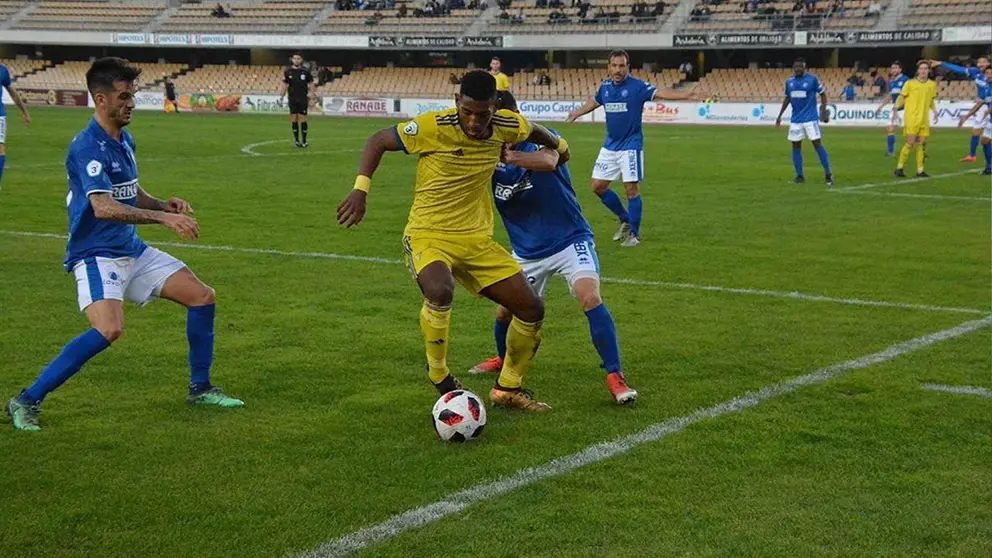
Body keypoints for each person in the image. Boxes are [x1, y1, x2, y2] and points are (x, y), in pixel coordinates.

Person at [5, 58, 242, 432]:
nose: (131, 103)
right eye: (123, 96)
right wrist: (164, 220)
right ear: (100, 99)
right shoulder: (87, 147)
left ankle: (201, 388)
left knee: (202, 296)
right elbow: (103, 206)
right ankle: (26, 399)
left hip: (131, 249)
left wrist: (162, 203)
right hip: (96, 255)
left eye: (132, 94)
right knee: (109, 329)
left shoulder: (123, 138)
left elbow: (129, 193)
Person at [336, 71, 568, 412]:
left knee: (532, 309)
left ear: (494, 107)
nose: (473, 121)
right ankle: (440, 375)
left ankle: (507, 389)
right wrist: (360, 189)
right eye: (467, 112)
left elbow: (535, 131)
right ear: (457, 102)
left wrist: (561, 147)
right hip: (428, 233)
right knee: (440, 289)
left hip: (475, 240)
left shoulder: (508, 124)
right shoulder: (434, 125)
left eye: (482, 113)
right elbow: (377, 140)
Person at [469, 92, 637, 405]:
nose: (500, 125)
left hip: (569, 240)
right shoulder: (485, 153)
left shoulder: (540, 138)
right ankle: (503, 361)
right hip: (526, 250)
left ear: (517, 116)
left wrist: (510, 158)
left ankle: (615, 375)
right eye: (495, 119)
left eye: (506, 118)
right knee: (505, 311)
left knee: (590, 297)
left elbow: (551, 159)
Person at [565, 50, 706, 247]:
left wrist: (686, 95)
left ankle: (634, 234)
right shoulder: (605, 87)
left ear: (627, 67)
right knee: (597, 187)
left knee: (631, 189)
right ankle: (624, 218)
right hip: (610, 145)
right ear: (609, 67)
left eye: (622, 66)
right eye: (614, 65)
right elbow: (595, 101)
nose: (618, 70)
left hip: (631, 146)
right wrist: (576, 113)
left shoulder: (637, 87)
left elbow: (660, 93)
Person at [775, 57, 833, 186]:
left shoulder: (812, 79)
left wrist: (823, 111)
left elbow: (823, 94)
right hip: (796, 120)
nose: (798, 69)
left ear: (805, 68)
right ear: (793, 68)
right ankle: (799, 176)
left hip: (810, 119)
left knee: (817, 144)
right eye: (796, 67)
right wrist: (779, 115)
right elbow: (787, 98)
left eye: (800, 67)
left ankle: (828, 174)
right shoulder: (789, 82)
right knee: (795, 146)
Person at [930, 56, 990, 163]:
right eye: (979, 62)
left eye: (984, 62)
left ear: (988, 64)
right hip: (983, 104)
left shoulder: (989, 76)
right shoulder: (975, 72)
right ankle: (972, 155)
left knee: (986, 138)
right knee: (976, 131)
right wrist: (942, 63)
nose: (981, 64)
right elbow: (959, 69)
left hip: (987, 104)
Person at [893, 60, 939, 178]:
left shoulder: (932, 85)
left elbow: (931, 100)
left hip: (924, 119)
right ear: (918, 70)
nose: (923, 71)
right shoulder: (910, 83)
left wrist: (935, 111)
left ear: (929, 71)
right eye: (921, 68)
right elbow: (901, 97)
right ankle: (899, 168)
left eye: (925, 68)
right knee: (910, 143)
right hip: (912, 118)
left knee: (921, 144)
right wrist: (895, 109)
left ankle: (920, 170)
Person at [0, 61, 31, 190]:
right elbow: (12, 92)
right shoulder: (2, 70)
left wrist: (25, 111)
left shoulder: (3, 71)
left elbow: (13, 93)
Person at [958, 66, 992, 175]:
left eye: (991, 73)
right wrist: (966, 117)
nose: (989, 75)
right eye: (987, 73)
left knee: (985, 140)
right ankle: (989, 167)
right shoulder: (986, 89)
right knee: (985, 141)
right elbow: (979, 105)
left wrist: (989, 110)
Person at [279, 52, 315, 148]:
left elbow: (311, 84)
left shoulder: (305, 71)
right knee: (294, 119)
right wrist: (281, 96)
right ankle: (296, 141)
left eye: (298, 58)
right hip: (292, 98)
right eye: (295, 58)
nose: (296, 60)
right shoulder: (288, 71)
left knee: (303, 118)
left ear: (301, 60)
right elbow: (285, 84)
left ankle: (304, 141)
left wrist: (312, 97)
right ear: (292, 60)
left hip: (303, 98)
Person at [874, 61, 909, 157]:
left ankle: (922, 150)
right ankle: (890, 152)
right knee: (890, 128)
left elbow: (907, 96)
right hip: (895, 109)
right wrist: (881, 106)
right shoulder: (891, 82)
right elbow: (890, 95)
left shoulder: (906, 80)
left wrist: (897, 108)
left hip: (906, 110)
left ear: (900, 69)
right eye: (892, 68)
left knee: (912, 134)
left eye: (895, 68)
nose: (893, 70)